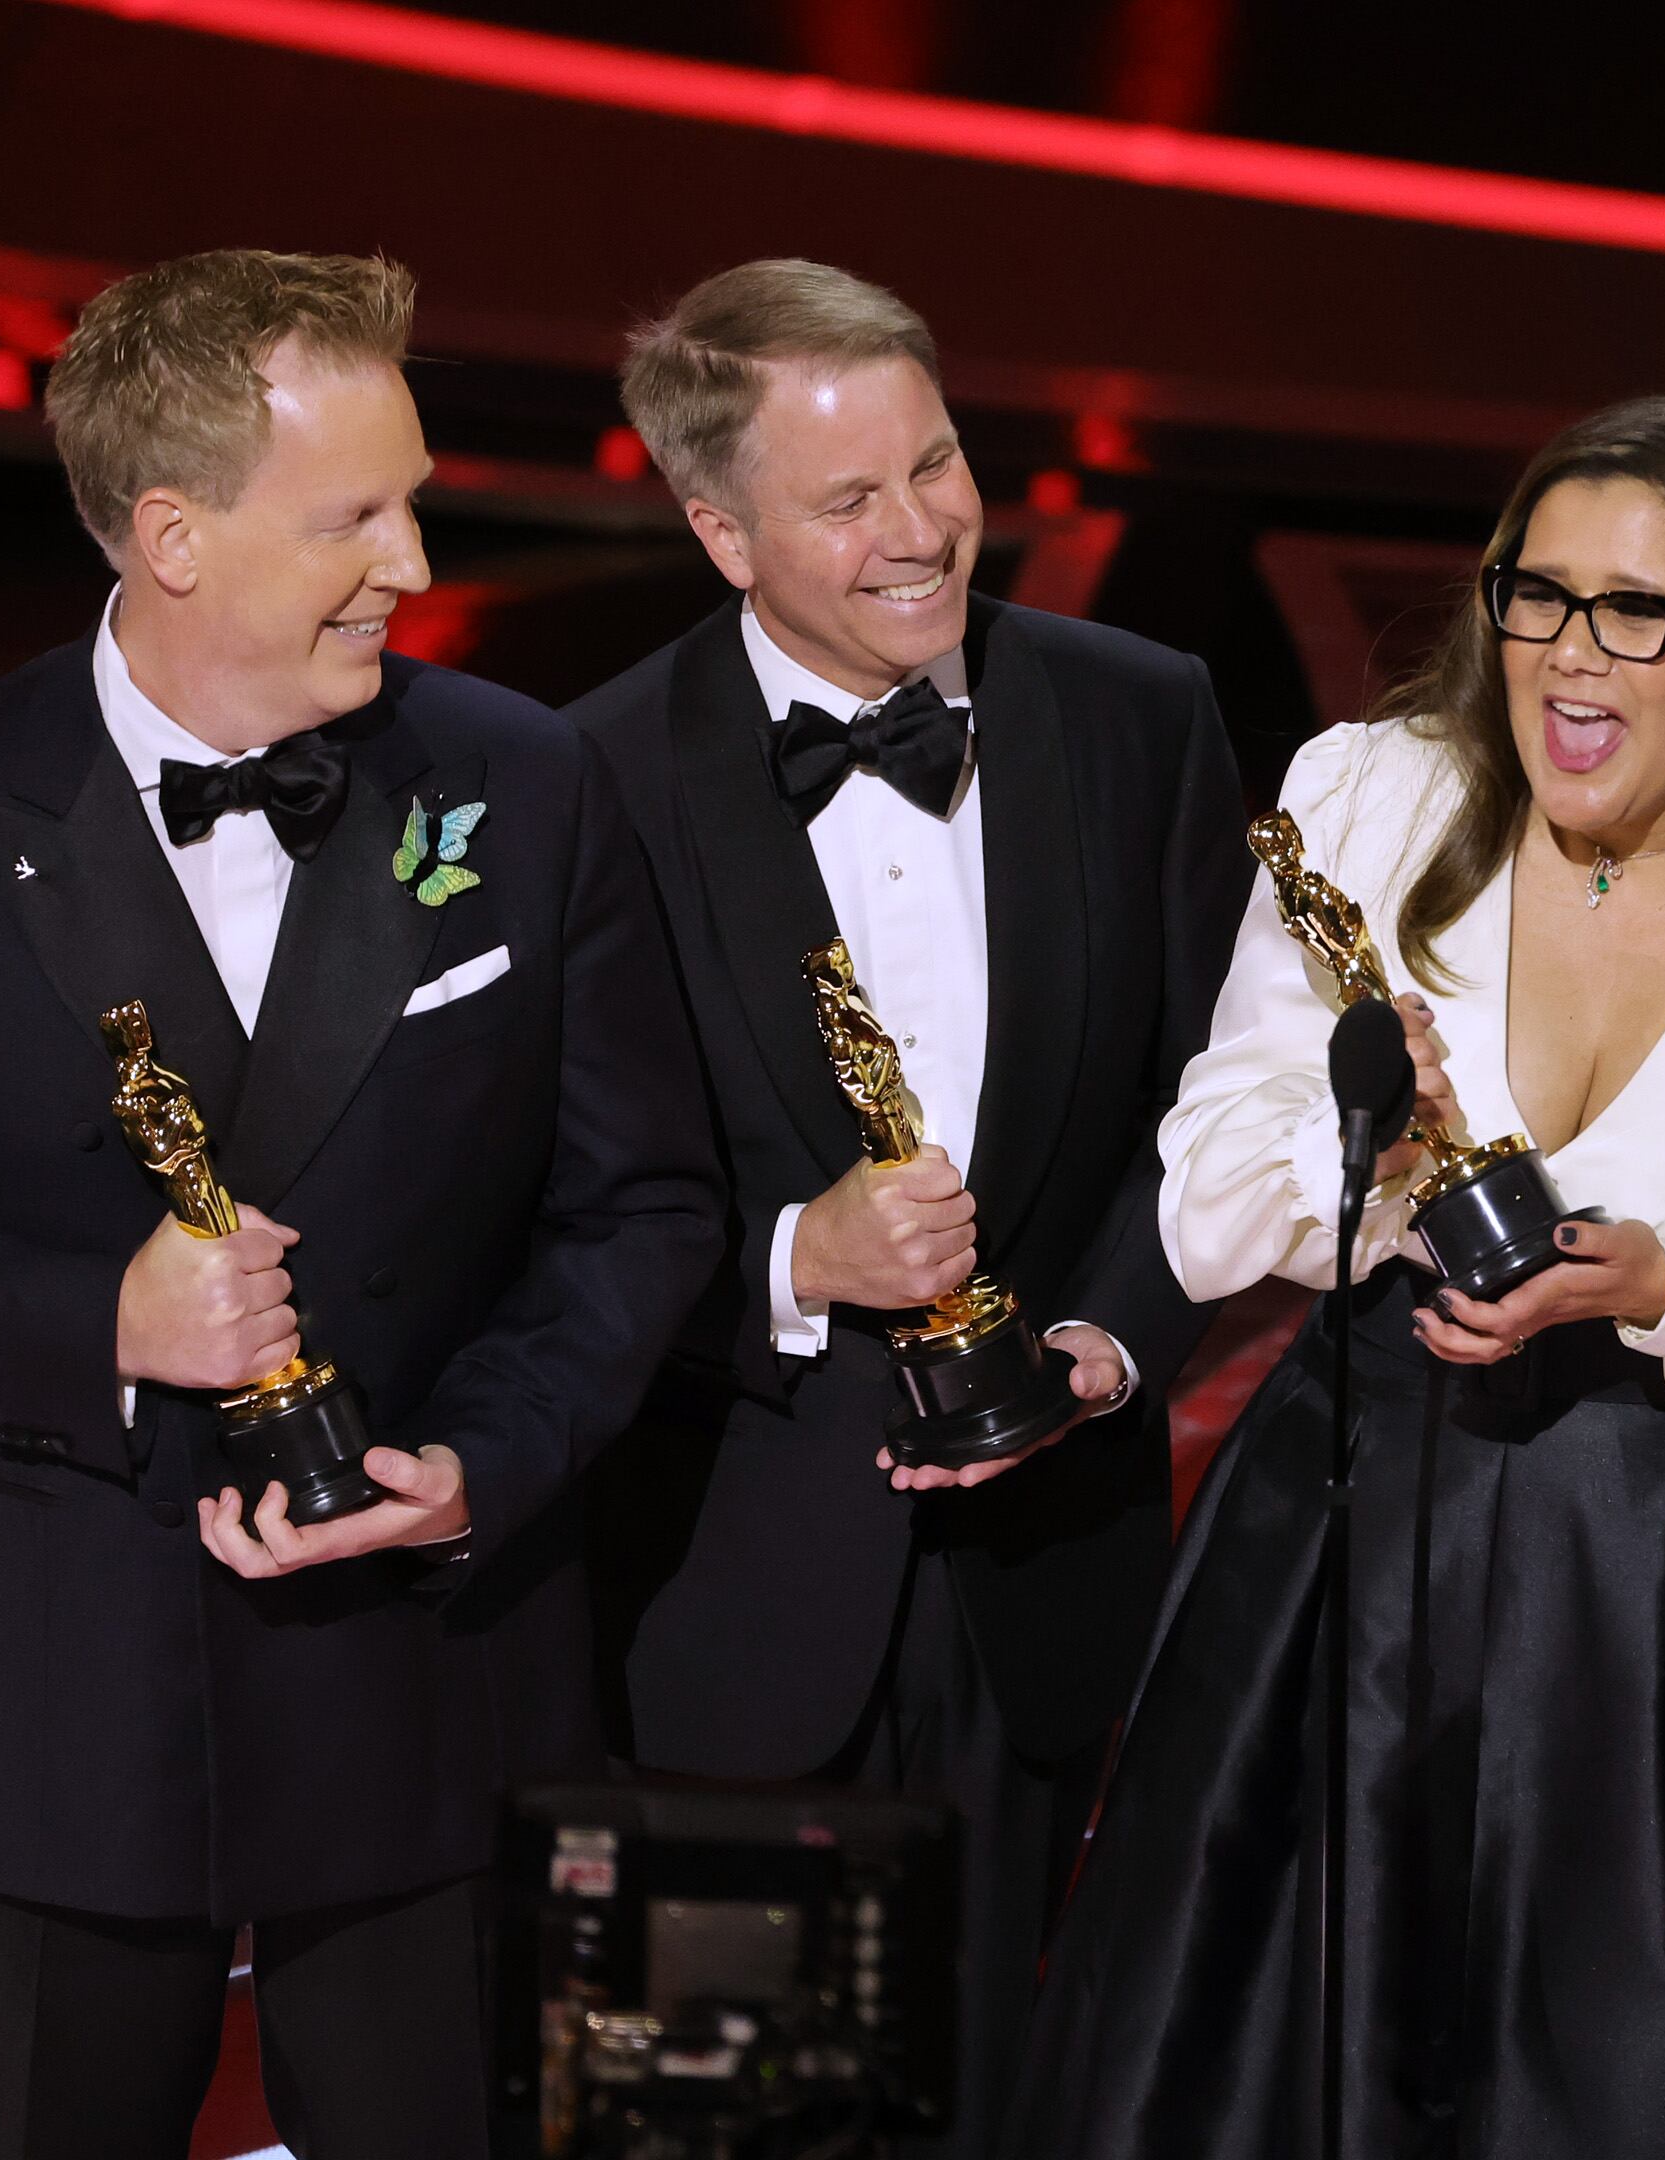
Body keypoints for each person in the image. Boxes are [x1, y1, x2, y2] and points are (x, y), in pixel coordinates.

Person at [0, 250, 723, 2155]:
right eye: (356, 515)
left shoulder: (528, 785)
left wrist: (481, 1459)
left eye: (410, 497)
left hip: (433, 1698)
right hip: (54, 1730)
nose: (413, 560)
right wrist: (107, 1326)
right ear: (172, 533)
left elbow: (644, 1206)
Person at [1013, 394, 1665, 2158]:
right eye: (1538, 595)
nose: (1570, 660)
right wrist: (1361, 1147)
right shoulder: (1372, 806)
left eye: (1640, 612)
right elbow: (1213, 1201)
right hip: (1361, 1580)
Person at [566, 259, 1248, 2156]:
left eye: (934, 464)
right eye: (847, 499)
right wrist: (794, 1260)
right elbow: (552, 1193)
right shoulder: (583, 780)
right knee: (732, 2121)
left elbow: (1216, 1100)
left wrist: (1115, 1339)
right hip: (726, 1584)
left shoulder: (1137, 712)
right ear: (721, 531)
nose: (920, 528)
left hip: (1054, 1577)